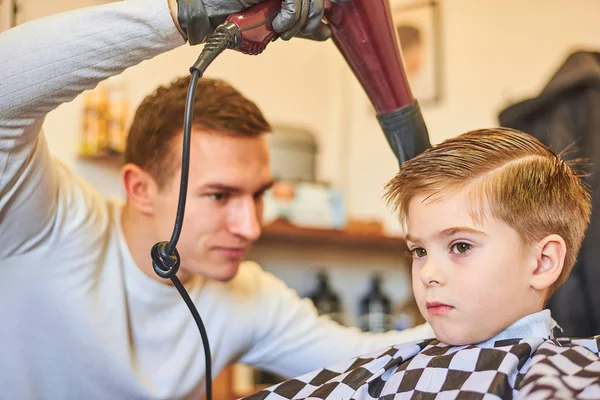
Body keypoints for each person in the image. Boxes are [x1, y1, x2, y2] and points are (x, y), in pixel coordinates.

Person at [0, 0, 434, 399]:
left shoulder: (247, 296)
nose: (250, 226)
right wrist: (185, 10)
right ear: (139, 189)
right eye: (219, 195)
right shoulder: (52, 222)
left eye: (258, 194)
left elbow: (370, 359)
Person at [243, 128, 600, 400]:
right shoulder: (384, 366)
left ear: (542, 262)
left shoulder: (567, 376)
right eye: (419, 251)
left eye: (460, 246)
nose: (428, 274)